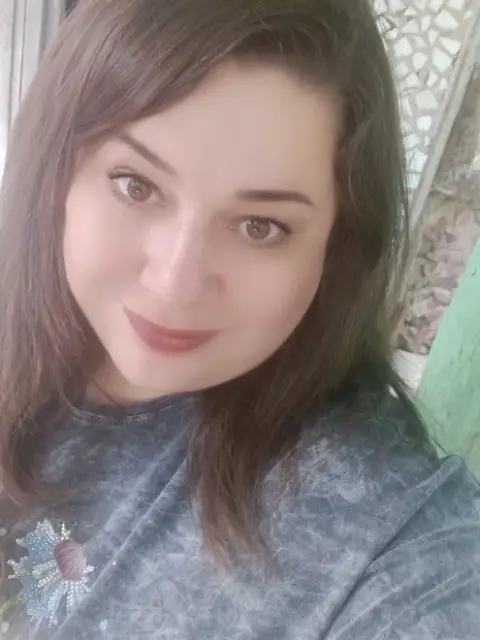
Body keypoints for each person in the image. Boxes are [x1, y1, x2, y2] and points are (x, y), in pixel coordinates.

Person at [0, 0, 479, 637]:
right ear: (56, 173)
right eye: (136, 185)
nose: (175, 283)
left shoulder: (387, 537)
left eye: (260, 226)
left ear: (336, 249)